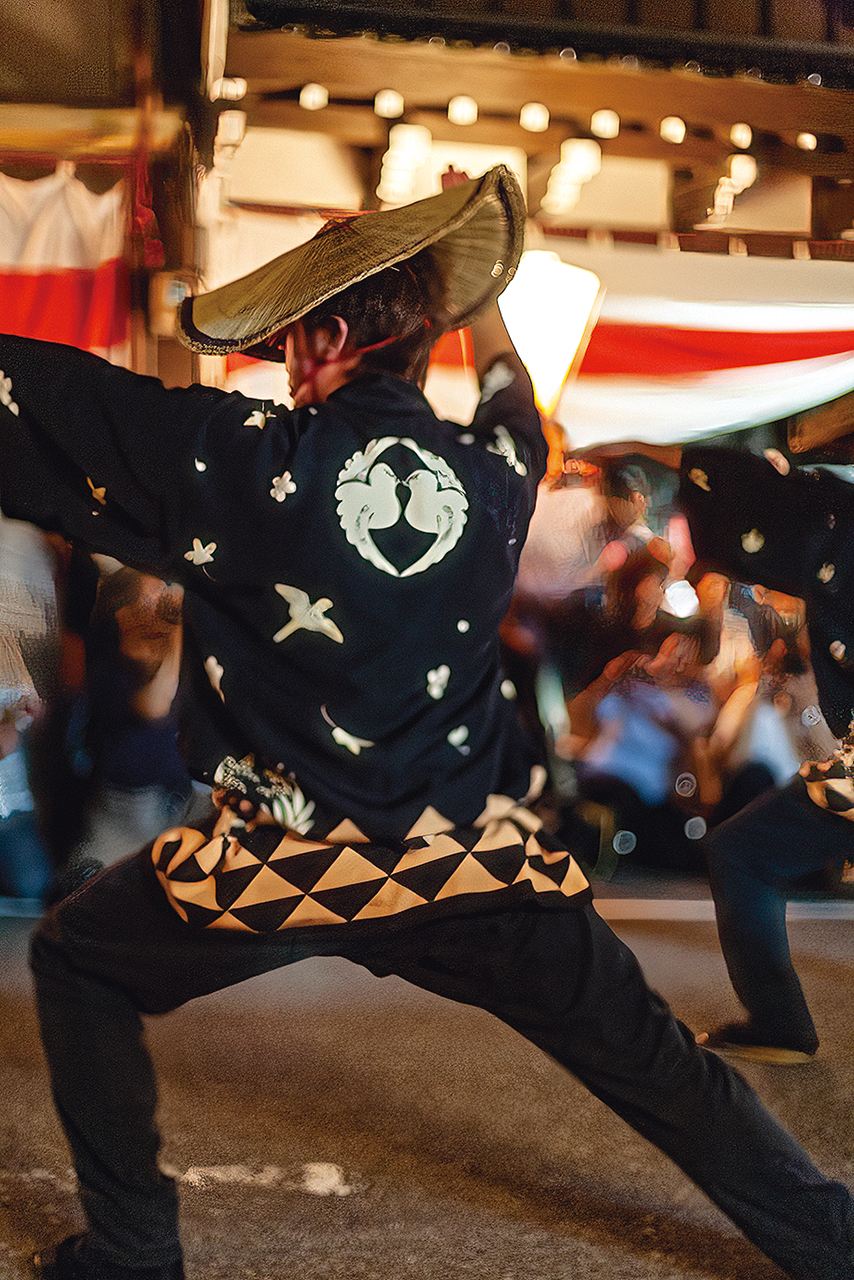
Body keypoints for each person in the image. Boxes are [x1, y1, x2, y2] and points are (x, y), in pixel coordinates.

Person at [0, 169, 852, 1280]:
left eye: (293, 340)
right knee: (657, 1065)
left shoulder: (240, 456)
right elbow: (509, 387)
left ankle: (133, 1252)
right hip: (470, 857)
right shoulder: (495, 472)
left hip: (284, 857)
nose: (285, 366)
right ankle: (831, 1243)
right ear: (419, 345)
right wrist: (479, 295)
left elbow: (45, 397)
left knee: (76, 959)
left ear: (328, 336)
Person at [586, 439, 854, 1064]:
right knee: (742, 846)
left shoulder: (838, 518)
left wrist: (650, 449)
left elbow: (760, 494)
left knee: (742, 851)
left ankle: (780, 1024)